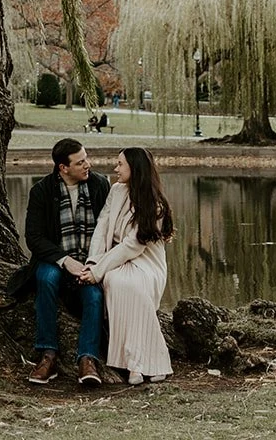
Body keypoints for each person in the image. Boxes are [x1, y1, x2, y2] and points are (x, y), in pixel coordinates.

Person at [7, 139, 109, 387]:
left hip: (90, 260)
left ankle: (87, 358)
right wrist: (65, 261)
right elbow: (34, 238)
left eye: (87, 158)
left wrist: (95, 264)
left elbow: (109, 230)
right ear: (63, 168)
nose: (88, 165)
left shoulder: (99, 185)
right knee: (46, 279)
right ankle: (48, 354)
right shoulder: (42, 191)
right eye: (81, 162)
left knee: (94, 296)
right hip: (55, 260)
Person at [81, 147, 174, 387]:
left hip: (146, 263)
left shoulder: (155, 205)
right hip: (115, 259)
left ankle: (140, 363)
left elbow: (133, 246)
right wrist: (93, 263)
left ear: (135, 168)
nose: (116, 169)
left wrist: (99, 271)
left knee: (130, 284)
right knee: (117, 281)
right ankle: (136, 361)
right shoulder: (116, 191)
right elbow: (101, 228)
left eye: (120, 164)